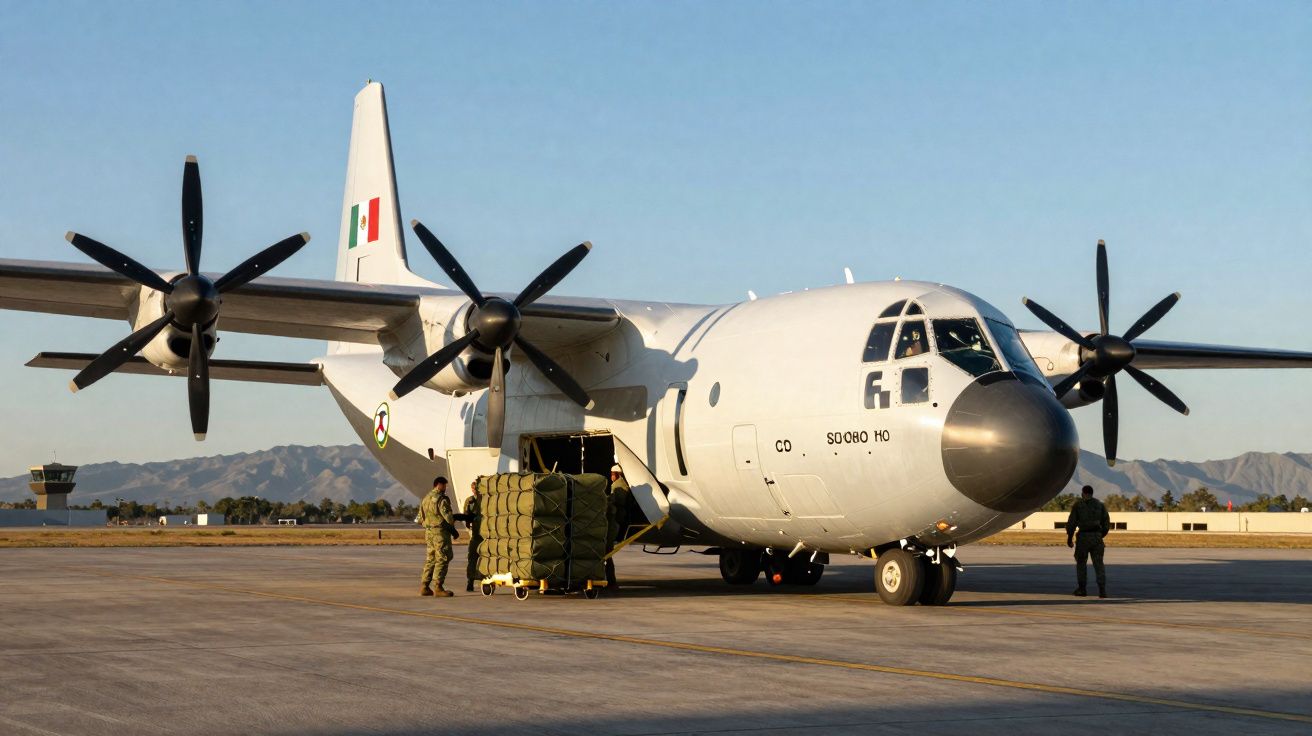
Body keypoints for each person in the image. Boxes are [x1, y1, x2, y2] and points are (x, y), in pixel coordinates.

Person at [1066, 485, 1111, 598]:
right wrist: (1100, 535)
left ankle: (1082, 589)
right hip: (1097, 538)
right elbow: (1106, 523)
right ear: (1092, 493)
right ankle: (1102, 590)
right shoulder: (1100, 505)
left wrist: (1069, 538)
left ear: (1083, 493)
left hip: (1083, 538)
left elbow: (1071, 523)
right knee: (1099, 564)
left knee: (1081, 564)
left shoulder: (1078, 505)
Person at [418, 476, 457, 597]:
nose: (445, 488)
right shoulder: (441, 499)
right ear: (438, 485)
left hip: (429, 533)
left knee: (431, 558)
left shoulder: (425, 499)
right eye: (444, 486)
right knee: (443, 557)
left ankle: (425, 586)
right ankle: (438, 587)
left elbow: (420, 519)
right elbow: (449, 519)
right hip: (440, 534)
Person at [605, 464, 631, 590]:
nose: (611, 476)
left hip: (616, 519)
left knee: (607, 554)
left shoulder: (618, 485)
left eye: (612, 474)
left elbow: (616, 501)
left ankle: (611, 581)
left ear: (617, 474)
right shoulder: (620, 484)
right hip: (616, 519)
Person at [462, 479, 482, 593]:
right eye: (473, 488)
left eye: (476, 488)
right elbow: (466, 515)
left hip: (485, 534)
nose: (474, 490)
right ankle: (470, 581)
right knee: (472, 558)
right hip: (475, 534)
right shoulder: (469, 501)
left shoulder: (486, 499)